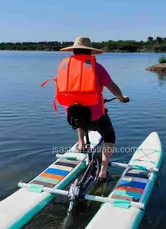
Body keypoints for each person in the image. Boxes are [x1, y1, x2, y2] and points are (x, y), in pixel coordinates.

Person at [46, 37, 129, 182]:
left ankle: (81, 142)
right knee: (109, 137)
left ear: (73, 51)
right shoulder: (96, 67)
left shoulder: (66, 67)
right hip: (95, 116)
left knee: (80, 115)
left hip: (72, 116)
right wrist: (121, 97)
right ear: (90, 52)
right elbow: (112, 86)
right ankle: (103, 171)